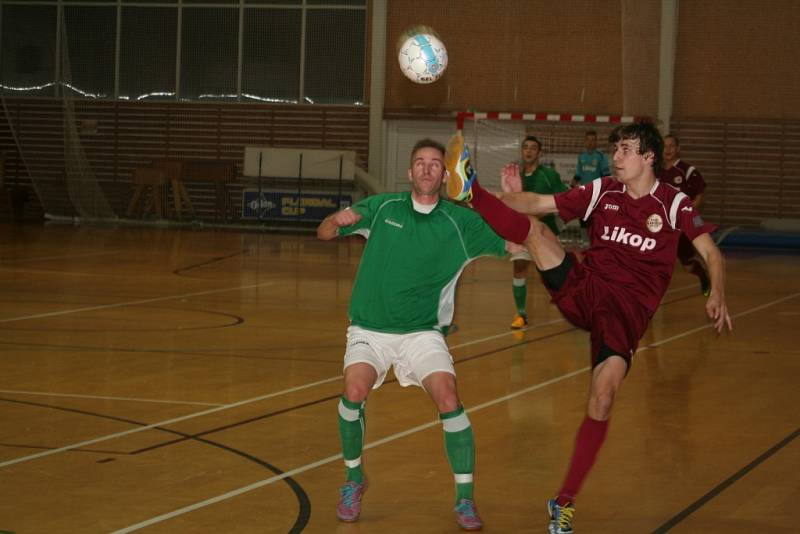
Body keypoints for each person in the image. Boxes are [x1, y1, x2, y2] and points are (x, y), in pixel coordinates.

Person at [446, 122, 732, 534]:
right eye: (615, 149)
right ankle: (469, 192)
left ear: (649, 157)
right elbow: (537, 202)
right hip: (587, 289)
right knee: (537, 233)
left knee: (603, 398)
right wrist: (492, 195)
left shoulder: (674, 203)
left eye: (626, 150)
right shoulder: (602, 191)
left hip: (625, 317)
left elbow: (711, 253)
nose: (616, 156)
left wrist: (717, 292)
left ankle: (564, 502)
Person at [318, 138, 517, 531]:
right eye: (420, 163)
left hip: (422, 333)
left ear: (445, 175)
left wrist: (513, 206)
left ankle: (464, 497)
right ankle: (354, 480)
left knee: (448, 397)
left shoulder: (462, 223)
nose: (427, 169)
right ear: (409, 172)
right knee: (353, 392)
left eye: (435, 164)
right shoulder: (382, 208)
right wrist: (335, 222)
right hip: (368, 329)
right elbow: (324, 233)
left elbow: (516, 244)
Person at [502, 136, 569, 329]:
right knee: (519, 267)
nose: (529, 151)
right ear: (522, 151)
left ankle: (570, 304)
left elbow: (563, 200)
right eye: (525, 148)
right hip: (521, 233)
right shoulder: (515, 175)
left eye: (533, 148)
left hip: (544, 232)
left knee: (552, 274)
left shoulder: (549, 175)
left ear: (539, 153)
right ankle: (521, 313)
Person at [659, 134, 711, 295]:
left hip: (681, 225)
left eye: (671, 146)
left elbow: (699, 195)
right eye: (665, 146)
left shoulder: (687, 171)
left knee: (688, 265)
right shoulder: (655, 171)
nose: (667, 150)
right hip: (661, 225)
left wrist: (686, 215)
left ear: (677, 149)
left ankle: (703, 276)